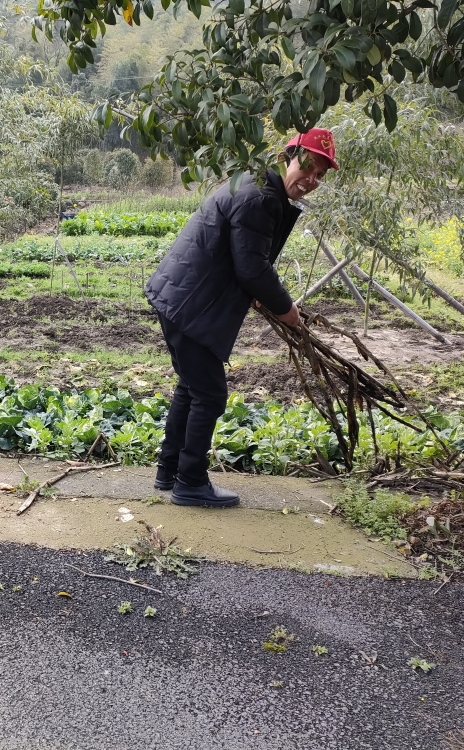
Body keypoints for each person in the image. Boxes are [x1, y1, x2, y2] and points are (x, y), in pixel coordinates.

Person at [145, 128, 338, 508]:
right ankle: (190, 483)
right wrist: (288, 311)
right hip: (191, 302)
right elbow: (253, 269)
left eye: (321, 175)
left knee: (192, 386)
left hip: (185, 296)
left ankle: (169, 471)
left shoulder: (254, 183)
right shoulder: (261, 197)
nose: (312, 180)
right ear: (288, 156)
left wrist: (259, 296)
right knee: (211, 393)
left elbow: (240, 257)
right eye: (309, 167)